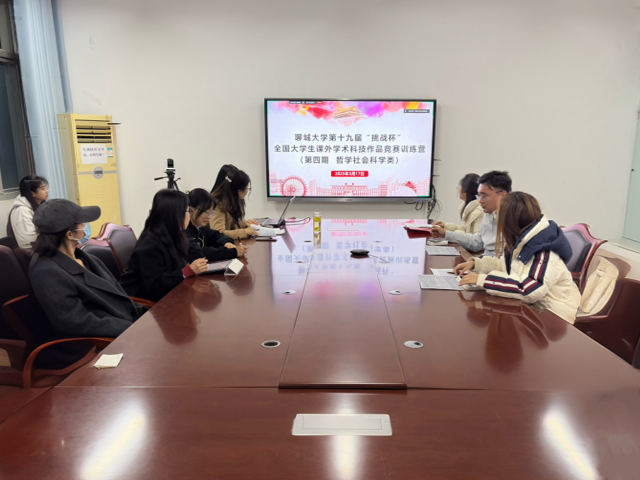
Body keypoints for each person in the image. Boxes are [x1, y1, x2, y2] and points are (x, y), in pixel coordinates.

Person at [456, 192, 580, 324]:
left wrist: (482, 280)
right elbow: (504, 265)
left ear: (511, 220)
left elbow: (529, 289)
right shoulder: (521, 239)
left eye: (499, 214)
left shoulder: (544, 249)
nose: (496, 216)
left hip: (553, 317)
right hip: (530, 309)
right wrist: (476, 264)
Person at [29, 199, 146, 339]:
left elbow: (121, 297)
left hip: (131, 326)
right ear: (70, 234)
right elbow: (75, 323)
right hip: (107, 341)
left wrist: (148, 317)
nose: (85, 226)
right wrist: (134, 329)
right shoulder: (46, 272)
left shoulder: (88, 258)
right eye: (82, 223)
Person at [120, 189, 209, 302]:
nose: (189, 216)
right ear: (175, 215)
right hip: (143, 304)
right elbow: (155, 286)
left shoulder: (173, 235)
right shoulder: (150, 245)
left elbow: (194, 254)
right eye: (188, 211)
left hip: (170, 294)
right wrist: (187, 271)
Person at [431, 170, 512, 256]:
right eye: (479, 196)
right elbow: (476, 242)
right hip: (485, 261)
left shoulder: (512, 219)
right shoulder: (488, 214)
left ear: (503, 195)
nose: (480, 201)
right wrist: (445, 233)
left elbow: (502, 259)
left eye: (484, 196)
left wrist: (476, 262)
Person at [186, 188, 247, 262]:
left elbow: (217, 235)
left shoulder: (201, 227)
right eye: (206, 212)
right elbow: (199, 252)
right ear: (190, 210)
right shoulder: (183, 229)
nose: (209, 217)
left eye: (211, 213)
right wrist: (232, 252)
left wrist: (227, 242)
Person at [210, 168, 258, 239]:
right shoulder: (217, 205)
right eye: (247, 188)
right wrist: (245, 232)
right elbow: (218, 233)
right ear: (239, 191)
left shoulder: (230, 201)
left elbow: (231, 224)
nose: (247, 191)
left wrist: (244, 224)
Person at [7, 175, 49, 248]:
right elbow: (28, 242)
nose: (46, 191)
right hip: (32, 252)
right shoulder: (22, 211)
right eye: (43, 188)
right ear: (33, 193)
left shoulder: (37, 206)